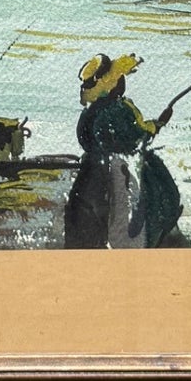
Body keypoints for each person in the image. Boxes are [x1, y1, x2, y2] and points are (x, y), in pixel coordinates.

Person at [69, 52, 183, 249]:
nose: (123, 83)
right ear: (112, 84)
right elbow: (136, 136)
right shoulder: (119, 108)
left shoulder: (90, 111)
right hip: (120, 169)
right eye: (120, 79)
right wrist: (159, 124)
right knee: (160, 194)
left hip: (92, 169)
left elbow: (88, 139)